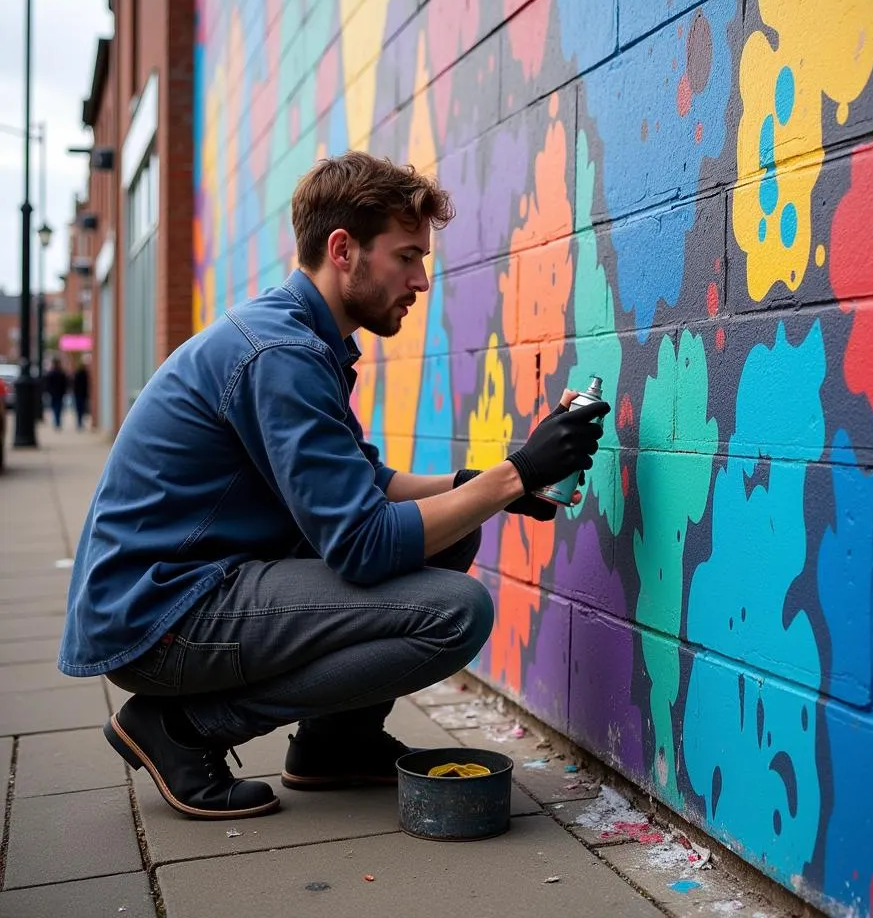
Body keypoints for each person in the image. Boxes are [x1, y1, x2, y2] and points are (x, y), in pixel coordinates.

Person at [59, 152, 608, 821]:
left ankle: (335, 742)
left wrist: (486, 483)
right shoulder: (281, 355)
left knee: (448, 535)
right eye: (407, 256)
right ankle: (185, 728)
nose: (422, 280)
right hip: (162, 616)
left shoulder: (298, 338)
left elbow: (363, 483)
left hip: (187, 587)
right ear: (343, 250)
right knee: (457, 610)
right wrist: (512, 475)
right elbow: (364, 545)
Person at [45, 358, 69, 429]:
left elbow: (48, 384)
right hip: (59, 393)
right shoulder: (61, 373)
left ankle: (56, 421)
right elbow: (65, 384)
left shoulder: (51, 373)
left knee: (55, 407)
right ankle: (57, 421)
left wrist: (48, 391)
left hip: (54, 393)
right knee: (58, 407)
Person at [73, 359, 91, 431]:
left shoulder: (78, 374)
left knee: (79, 409)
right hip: (82, 394)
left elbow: (74, 384)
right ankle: (79, 423)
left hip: (78, 394)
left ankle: (79, 422)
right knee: (81, 409)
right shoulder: (85, 374)